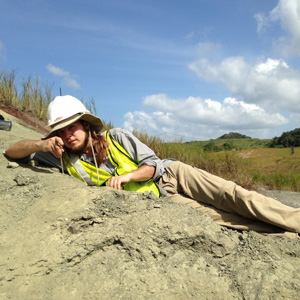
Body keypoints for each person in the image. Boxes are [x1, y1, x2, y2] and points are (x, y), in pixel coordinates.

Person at [4, 95, 300, 239]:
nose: (69, 134)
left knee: (236, 196)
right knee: (226, 219)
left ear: (85, 123)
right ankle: (289, 235)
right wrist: (41, 145)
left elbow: (153, 165)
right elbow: (10, 151)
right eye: (62, 131)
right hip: (162, 200)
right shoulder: (58, 156)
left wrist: (126, 176)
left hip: (172, 175)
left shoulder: (116, 137)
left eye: (73, 127)